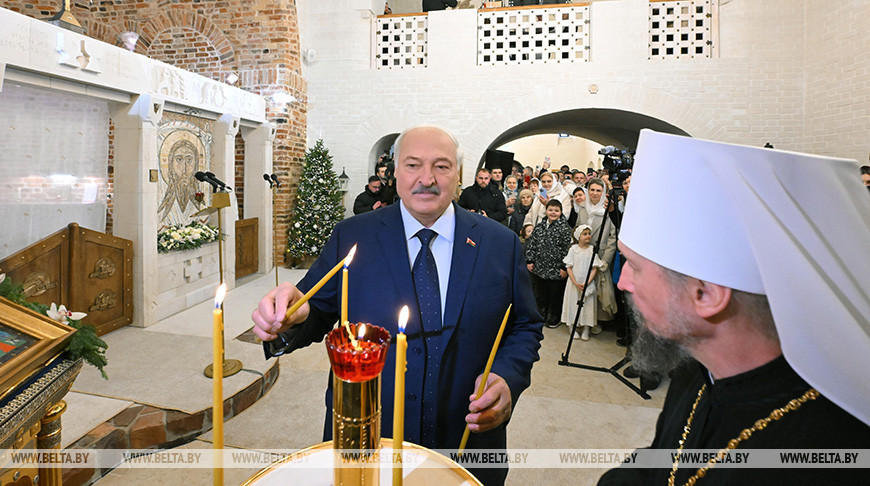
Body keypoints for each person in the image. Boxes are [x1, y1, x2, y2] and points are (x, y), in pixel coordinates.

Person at [252, 125, 543, 486]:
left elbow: (525, 326)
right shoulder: (353, 235)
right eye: (412, 165)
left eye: (441, 166)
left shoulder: (501, 244)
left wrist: (508, 378)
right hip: (369, 433)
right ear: (394, 172)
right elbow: (315, 309)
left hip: (467, 440)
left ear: (459, 174)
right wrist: (292, 316)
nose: (426, 179)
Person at [598, 130, 870, 485]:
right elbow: (663, 462)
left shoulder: (826, 453)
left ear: (707, 295)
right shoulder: (695, 372)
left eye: (635, 266)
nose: (624, 283)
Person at [573, 178, 618, 322]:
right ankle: (584, 320)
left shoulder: (608, 209)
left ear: (603, 192)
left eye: (598, 190)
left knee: (598, 288)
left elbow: (613, 237)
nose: (594, 193)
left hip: (600, 253)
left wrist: (605, 260)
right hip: (583, 253)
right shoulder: (583, 207)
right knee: (583, 286)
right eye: (592, 190)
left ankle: (597, 321)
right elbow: (578, 227)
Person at [525, 199, 572, 328]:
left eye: (556, 210)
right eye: (550, 210)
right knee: (541, 294)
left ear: (561, 212)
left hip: (556, 269)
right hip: (540, 267)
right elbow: (532, 243)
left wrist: (564, 267)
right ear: (546, 211)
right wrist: (530, 260)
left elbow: (567, 249)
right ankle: (542, 314)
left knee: (555, 295)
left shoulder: (564, 228)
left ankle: (554, 317)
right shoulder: (540, 225)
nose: (553, 213)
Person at [561, 224, 604, 340]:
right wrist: (574, 282)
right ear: (578, 236)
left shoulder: (591, 250)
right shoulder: (573, 250)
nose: (588, 236)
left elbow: (594, 267)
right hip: (574, 284)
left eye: (589, 234)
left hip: (587, 284)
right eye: (584, 234)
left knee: (588, 306)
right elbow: (569, 266)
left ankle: (586, 328)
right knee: (573, 305)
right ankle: (572, 327)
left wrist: (588, 282)